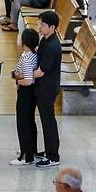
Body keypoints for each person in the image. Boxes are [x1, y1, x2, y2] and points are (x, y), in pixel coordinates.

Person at [32, 11, 62, 167]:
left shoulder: (52, 46)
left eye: (42, 25)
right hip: (43, 86)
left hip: (47, 88)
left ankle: (53, 156)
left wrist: (22, 75)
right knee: (46, 120)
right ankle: (50, 150)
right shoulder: (46, 39)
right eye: (39, 24)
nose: (40, 28)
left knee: (48, 121)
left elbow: (41, 71)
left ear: (52, 27)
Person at [11, 28, 39, 165]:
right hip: (31, 93)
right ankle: (30, 149)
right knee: (29, 121)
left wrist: (17, 80)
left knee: (23, 123)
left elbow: (28, 80)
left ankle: (25, 156)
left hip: (25, 92)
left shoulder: (27, 57)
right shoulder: (33, 54)